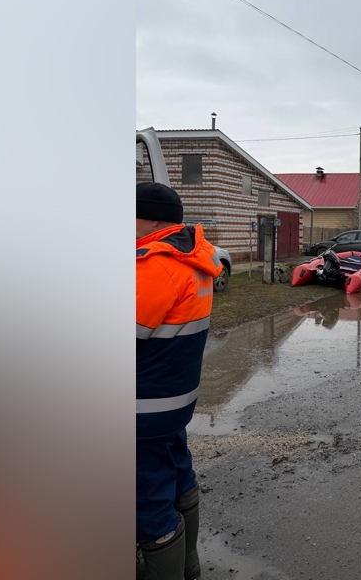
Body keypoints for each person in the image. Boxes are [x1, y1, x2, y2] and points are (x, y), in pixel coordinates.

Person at [136, 182, 221, 580]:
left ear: (151, 218)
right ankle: (189, 566)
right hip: (171, 403)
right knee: (178, 475)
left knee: (146, 501)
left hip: (140, 409)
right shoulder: (193, 260)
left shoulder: (155, 267)